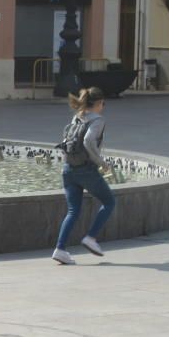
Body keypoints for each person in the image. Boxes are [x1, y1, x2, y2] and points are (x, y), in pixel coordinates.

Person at [52, 86, 116, 265]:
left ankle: (60, 249)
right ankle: (91, 237)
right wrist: (103, 163)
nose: (103, 106)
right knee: (110, 202)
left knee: (73, 211)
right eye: (103, 103)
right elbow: (88, 141)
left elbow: (67, 142)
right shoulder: (97, 120)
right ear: (98, 103)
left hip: (68, 169)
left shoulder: (77, 117)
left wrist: (68, 164)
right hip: (86, 170)